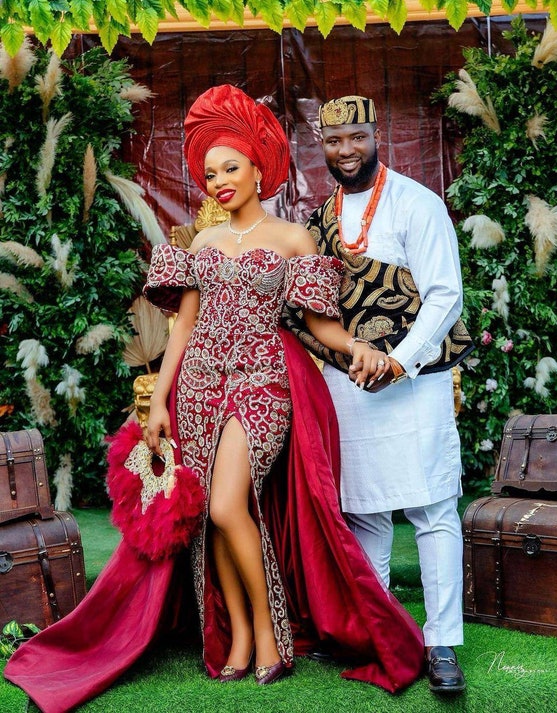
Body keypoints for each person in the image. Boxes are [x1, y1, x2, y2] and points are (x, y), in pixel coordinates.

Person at [4, 85, 424, 713]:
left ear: (259, 167)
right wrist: (160, 403)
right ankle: (241, 638)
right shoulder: (198, 246)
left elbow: (317, 326)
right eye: (209, 174)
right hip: (200, 384)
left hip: (262, 383)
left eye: (232, 168)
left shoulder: (294, 241)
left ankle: (273, 635)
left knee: (229, 505)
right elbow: (182, 330)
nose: (220, 181)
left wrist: (363, 347)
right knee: (204, 515)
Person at [285, 94, 474, 694]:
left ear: (377, 135)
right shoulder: (320, 221)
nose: (346, 151)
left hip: (414, 380)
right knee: (365, 509)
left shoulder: (417, 204)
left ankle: (442, 641)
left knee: (432, 509)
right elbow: (310, 308)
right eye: (334, 142)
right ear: (323, 147)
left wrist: (398, 361)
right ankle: (382, 629)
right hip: (349, 382)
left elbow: (445, 296)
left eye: (357, 138)